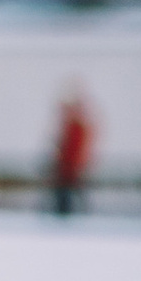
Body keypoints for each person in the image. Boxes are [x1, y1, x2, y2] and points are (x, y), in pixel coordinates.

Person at [47, 89, 96, 218]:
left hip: (69, 172)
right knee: (68, 200)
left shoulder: (77, 128)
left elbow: (73, 152)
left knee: (68, 201)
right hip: (67, 172)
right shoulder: (73, 128)